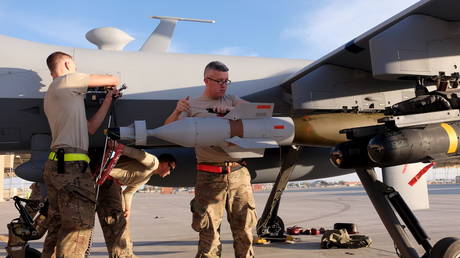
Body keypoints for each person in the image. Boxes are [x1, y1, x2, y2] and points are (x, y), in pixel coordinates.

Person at [164, 61, 257, 258]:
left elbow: (255, 111)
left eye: (226, 81)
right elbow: (168, 128)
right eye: (218, 81)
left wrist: (232, 112)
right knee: (209, 235)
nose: (223, 85)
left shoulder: (231, 99)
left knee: (245, 232)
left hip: (238, 174)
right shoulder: (191, 105)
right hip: (208, 175)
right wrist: (177, 110)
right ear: (206, 80)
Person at [42, 51, 120, 257]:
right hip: (72, 167)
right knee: (78, 229)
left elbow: (90, 128)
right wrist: (110, 85)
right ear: (67, 64)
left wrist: (108, 100)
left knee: (57, 226)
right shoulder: (68, 80)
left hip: (56, 165)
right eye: (74, 65)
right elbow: (113, 79)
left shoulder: (55, 93)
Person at [92, 141, 176, 258]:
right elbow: (138, 154)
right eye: (171, 169)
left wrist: (128, 210)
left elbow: (128, 193)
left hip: (111, 184)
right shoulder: (154, 162)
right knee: (117, 226)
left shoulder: (146, 178)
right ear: (165, 163)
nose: (169, 173)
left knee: (120, 224)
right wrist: (120, 147)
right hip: (107, 180)